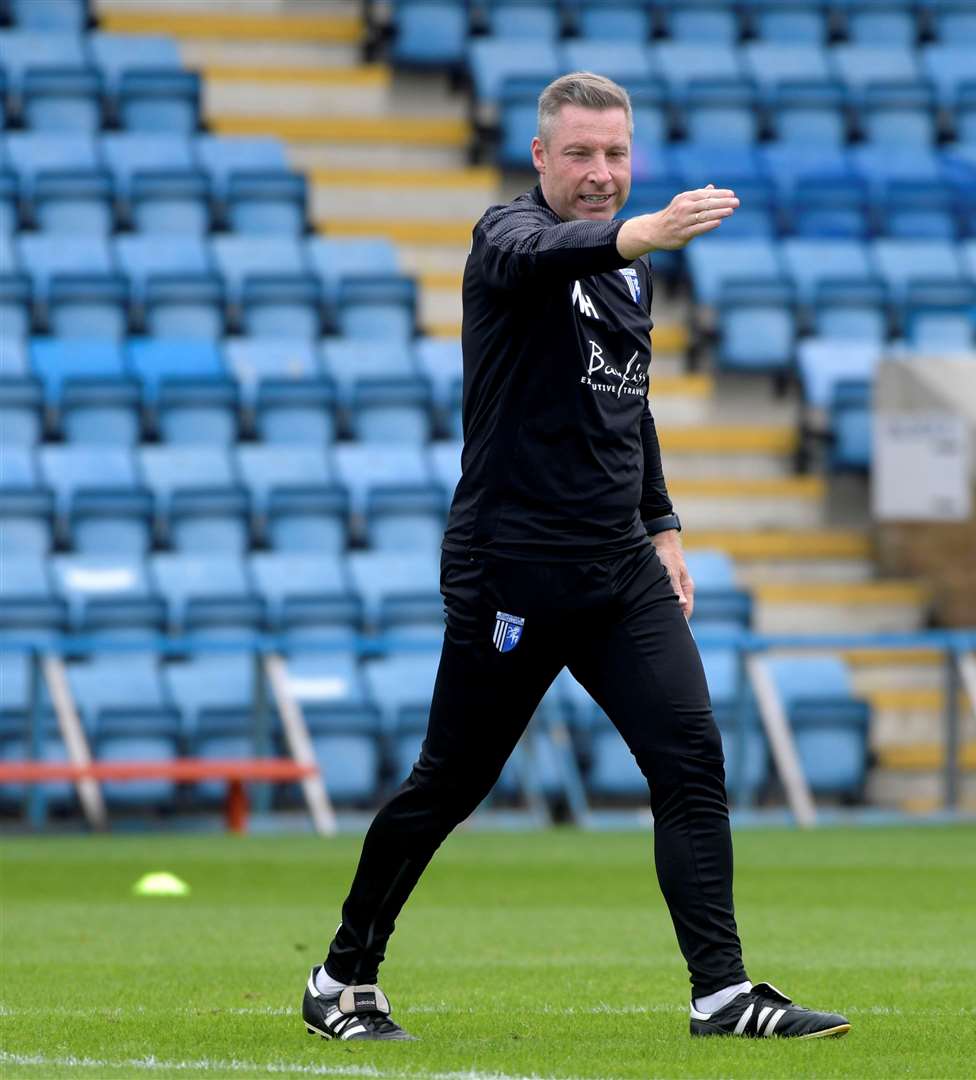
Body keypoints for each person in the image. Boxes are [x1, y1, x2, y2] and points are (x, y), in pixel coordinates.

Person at [301, 71, 850, 1044]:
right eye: (583, 155)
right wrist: (640, 231)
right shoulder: (507, 242)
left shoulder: (629, 270)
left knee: (690, 756)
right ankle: (343, 977)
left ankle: (720, 993)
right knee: (448, 784)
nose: (602, 174)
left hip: (616, 569)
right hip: (511, 571)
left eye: (617, 155)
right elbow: (552, 247)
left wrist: (664, 524)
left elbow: (627, 404)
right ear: (540, 159)